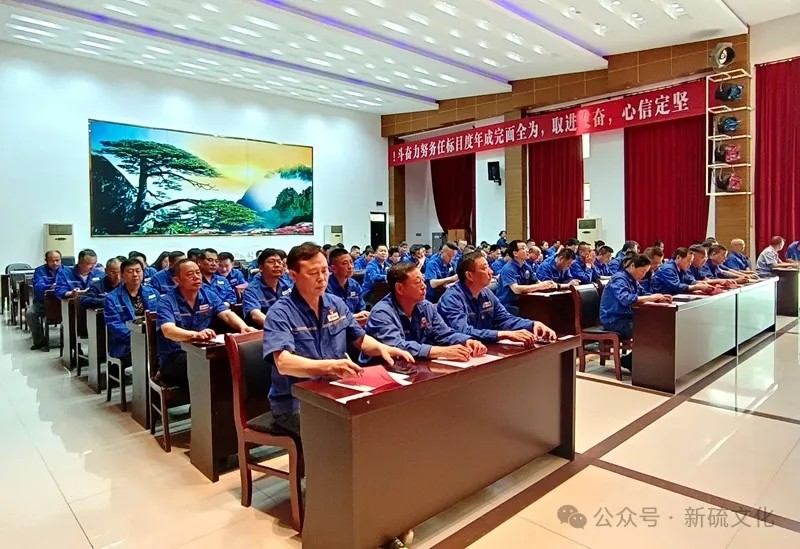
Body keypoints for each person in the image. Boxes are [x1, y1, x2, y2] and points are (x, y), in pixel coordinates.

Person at [263, 242, 413, 437]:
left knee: (383, 417)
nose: (321, 278)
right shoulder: (280, 313)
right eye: (313, 273)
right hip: (296, 403)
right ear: (293, 276)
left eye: (324, 270)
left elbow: (359, 339)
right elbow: (284, 363)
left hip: (335, 390)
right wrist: (330, 367)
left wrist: (383, 348)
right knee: (342, 433)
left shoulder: (335, 303)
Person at [156, 259, 256, 386]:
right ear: (177, 280)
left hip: (203, 352)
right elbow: (168, 330)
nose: (196, 277)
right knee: (209, 367)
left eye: (198, 273)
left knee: (234, 360)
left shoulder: (208, 295)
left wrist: (243, 327)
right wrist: (195, 335)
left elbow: (226, 314)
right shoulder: (167, 301)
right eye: (190, 274)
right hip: (175, 357)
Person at [364, 262, 487, 361]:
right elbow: (396, 347)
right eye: (418, 282)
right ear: (400, 288)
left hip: (416, 367)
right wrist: (439, 351)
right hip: (383, 372)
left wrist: (467, 341)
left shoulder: (426, 306)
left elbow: (445, 333)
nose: (424, 286)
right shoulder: (381, 313)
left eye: (423, 280)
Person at [438, 251, 555, 344]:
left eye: (488, 266)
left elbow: (505, 319)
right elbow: (462, 331)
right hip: (456, 352)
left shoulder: (486, 293)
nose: (491, 271)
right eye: (484, 268)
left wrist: (532, 324)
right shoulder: (452, 298)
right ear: (469, 275)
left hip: (483, 348)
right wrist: (501, 334)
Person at [600, 254, 672, 370]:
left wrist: (659, 297)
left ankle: (644, 362)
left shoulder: (632, 279)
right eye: (642, 271)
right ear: (633, 266)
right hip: (614, 320)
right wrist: (651, 298)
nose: (643, 275)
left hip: (627, 317)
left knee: (658, 327)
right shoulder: (619, 278)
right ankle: (631, 362)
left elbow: (643, 293)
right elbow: (625, 299)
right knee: (648, 331)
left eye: (646, 272)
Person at [104, 259, 161, 370]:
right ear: (122, 275)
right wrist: (139, 338)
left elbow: (161, 317)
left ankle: (157, 376)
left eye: (138, 271)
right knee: (146, 349)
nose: (135, 275)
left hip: (152, 339)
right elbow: (115, 325)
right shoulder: (111, 298)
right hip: (126, 343)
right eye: (130, 271)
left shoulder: (153, 293)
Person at [496, 240, 558, 313]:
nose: (527, 250)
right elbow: (516, 289)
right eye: (523, 248)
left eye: (526, 247)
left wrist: (548, 284)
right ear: (515, 253)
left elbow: (537, 282)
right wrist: (541, 286)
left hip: (523, 301)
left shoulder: (526, 266)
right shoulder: (508, 268)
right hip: (508, 305)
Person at [242, 248, 293, 328]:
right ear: (261, 268)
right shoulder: (251, 290)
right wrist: (280, 327)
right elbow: (256, 316)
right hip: (267, 331)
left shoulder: (287, 285)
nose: (277, 265)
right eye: (271, 262)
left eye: (279, 262)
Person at [27, 250, 63, 351]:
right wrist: (51, 286)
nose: (55, 263)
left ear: (61, 260)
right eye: (51, 261)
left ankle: (71, 341)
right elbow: (38, 287)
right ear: (46, 261)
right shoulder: (40, 271)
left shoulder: (67, 270)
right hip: (42, 303)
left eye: (57, 260)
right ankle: (39, 341)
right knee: (30, 313)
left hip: (62, 303)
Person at [326, 248, 369, 323]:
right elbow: (331, 315)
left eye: (351, 262)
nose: (350, 266)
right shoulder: (326, 287)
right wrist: (353, 316)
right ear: (333, 268)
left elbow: (361, 309)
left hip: (356, 324)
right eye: (345, 263)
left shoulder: (355, 285)